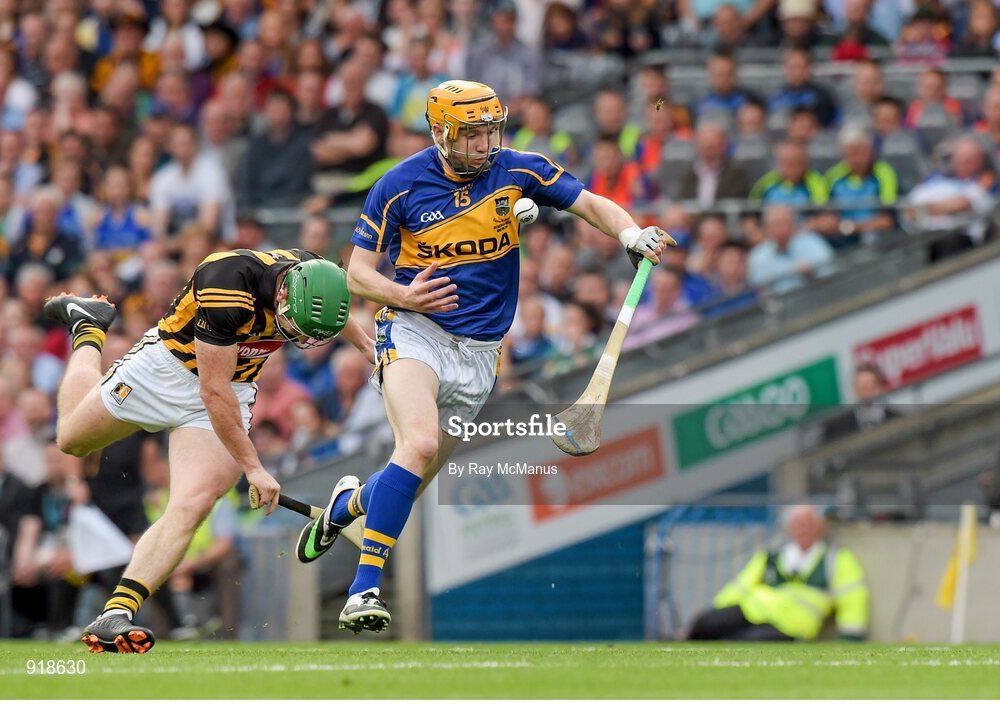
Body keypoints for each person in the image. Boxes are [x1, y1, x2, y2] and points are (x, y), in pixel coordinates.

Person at [294, 79, 671, 634]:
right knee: (417, 445)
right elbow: (357, 271)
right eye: (471, 135)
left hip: (480, 356)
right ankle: (364, 588)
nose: (484, 145)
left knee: (413, 477)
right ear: (441, 134)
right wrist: (402, 296)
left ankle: (347, 506)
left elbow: (590, 203)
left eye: (490, 132)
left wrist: (631, 234)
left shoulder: (520, 168)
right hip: (413, 330)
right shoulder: (398, 185)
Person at [41, 250, 375, 654]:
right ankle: (89, 326)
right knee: (71, 440)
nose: (299, 341)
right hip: (167, 372)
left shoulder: (319, 279)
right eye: (295, 327)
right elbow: (211, 392)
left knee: (194, 502)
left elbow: (335, 319)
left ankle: (116, 612)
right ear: (284, 293)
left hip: (231, 387)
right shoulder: (227, 284)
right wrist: (253, 468)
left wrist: (371, 352)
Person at [687, 505, 868, 641]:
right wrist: (718, 610)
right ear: (789, 529)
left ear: (821, 528)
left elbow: (852, 598)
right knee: (704, 624)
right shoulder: (772, 556)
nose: (804, 528)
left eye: (809, 524)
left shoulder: (836, 559)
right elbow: (740, 587)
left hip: (791, 626)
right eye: (798, 524)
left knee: (743, 642)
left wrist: (851, 637)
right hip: (752, 611)